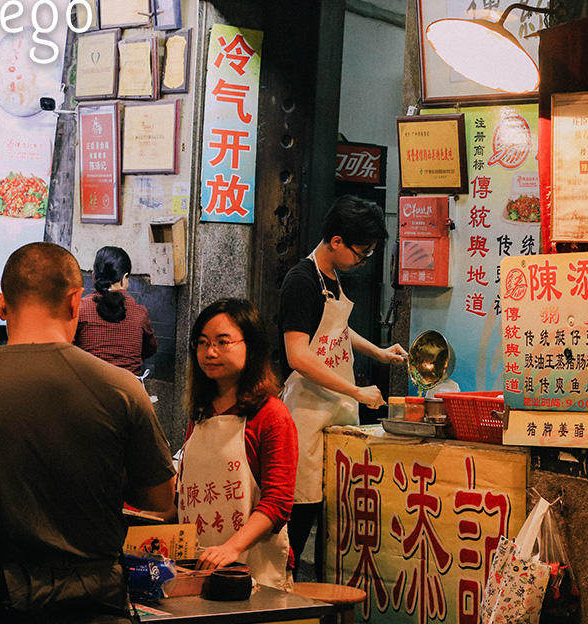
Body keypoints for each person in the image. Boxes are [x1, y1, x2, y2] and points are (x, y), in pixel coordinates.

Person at [0, 242, 175, 624]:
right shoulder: (121, 389)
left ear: (2, 304)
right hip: (94, 606)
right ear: (76, 301)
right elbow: (159, 497)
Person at [279, 195, 407, 578]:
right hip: (305, 412)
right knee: (299, 514)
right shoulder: (301, 281)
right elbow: (298, 355)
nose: (362, 260)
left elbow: (336, 330)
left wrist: (379, 353)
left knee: (329, 516)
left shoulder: (330, 279)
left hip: (332, 411)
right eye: (361, 252)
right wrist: (355, 392)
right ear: (336, 241)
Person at [180, 298, 298, 591]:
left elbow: (278, 501)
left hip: (253, 569)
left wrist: (231, 548)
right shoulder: (201, 413)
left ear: (252, 346)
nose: (210, 352)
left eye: (223, 342)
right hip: (199, 564)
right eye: (202, 343)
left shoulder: (272, 414)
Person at [75, 246, 158, 375]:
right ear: (124, 278)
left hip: (88, 387)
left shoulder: (80, 309)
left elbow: (68, 347)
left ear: (93, 276)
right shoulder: (139, 313)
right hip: (129, 390)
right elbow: (150, 349)